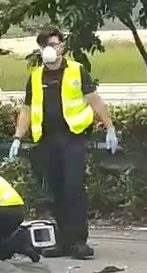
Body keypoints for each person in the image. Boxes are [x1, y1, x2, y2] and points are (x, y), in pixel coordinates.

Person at [9, 25, 119, 260]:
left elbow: (94, 100)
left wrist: (109, 127)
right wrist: (18, 137)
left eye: (54, 44)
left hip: (73, 137)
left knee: (73, 187)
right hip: (47, 139)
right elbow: (27, 109)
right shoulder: (36, 75)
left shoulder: (76, 71)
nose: (51, 49)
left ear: (62, 47)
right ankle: (63, 240)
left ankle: (79, 241)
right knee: (55, 190)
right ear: (40, 49)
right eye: (46, 45)